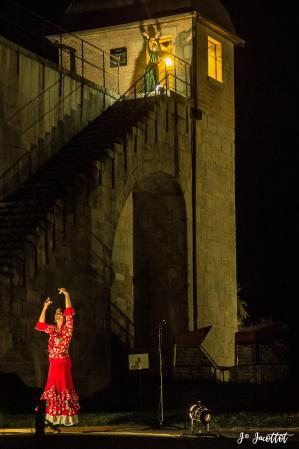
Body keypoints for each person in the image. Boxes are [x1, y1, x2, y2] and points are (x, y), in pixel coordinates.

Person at [35, 288, 80, 426]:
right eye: (57, 313)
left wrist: (67, 294)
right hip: (53, 363)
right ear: (55, 317)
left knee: (64, 387)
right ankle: (52, 418)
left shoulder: (68, 329)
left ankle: (66, 418)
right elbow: (41, 325)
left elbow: (69, 312)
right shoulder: (52, 330)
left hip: (63, 362)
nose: (60, 314)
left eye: (61, 313)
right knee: (51, 388)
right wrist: (44, 308)